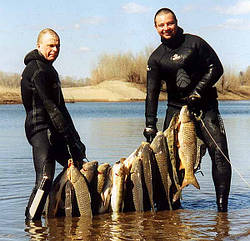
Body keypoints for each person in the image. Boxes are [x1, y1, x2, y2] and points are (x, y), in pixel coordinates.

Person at [143, 8, 231, 212]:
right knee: (169, 160)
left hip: (204, 108)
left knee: (219, 154)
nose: (166, 28)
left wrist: (198, 91)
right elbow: (152, 94)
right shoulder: (156, 58)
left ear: (176, 22)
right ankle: (172, 206)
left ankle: (222, 210)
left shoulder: (195, 43)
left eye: (169, 23)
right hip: (176, 111)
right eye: (161, 25)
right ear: (156, 28)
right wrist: (150, 125)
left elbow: (216, 68)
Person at [21, 28, 86, 221]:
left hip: (54, 129)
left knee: (78, 165)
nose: (55, 49)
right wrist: (69, 140)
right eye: (51, 45)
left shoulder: (50, 68)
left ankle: (65, 214)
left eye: (58, 45)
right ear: (39, 45)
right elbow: (51, 108)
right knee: (44, 178)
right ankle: (31, 225)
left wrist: (77, 142)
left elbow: (62, 109)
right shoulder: (37, 69)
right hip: (40, 129)